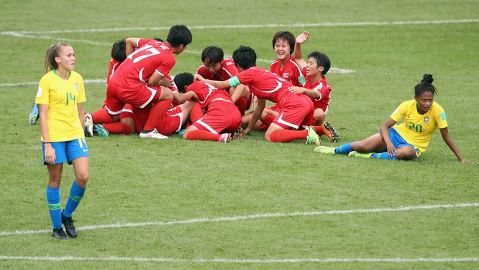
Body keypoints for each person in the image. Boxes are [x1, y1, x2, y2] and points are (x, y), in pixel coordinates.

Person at [315, 74, 469, 162]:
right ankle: (334, 150)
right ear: (416, 98)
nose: (428, 103)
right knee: (361, 145)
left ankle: (371, 156)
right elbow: (384, 127)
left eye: (430, 100)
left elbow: (446, 136)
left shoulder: (438, 111)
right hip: (394, 135)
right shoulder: (406, 105)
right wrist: (389, 143)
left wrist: (461, 159)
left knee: (407, 154)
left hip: (413, 146)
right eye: (424, 100)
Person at [195, 46, 319, 144]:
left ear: (237, 65)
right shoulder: (259, 73)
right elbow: (260, 105)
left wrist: (203, 80)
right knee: (294, 129)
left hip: (294, 104)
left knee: (270, 136)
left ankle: (307, 134)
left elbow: (224, 84)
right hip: (306, 102)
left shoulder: (248, 73)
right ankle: (320, 129)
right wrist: (249, 127)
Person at [36, 42, 90, 239]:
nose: (73, 58)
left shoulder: (78, 79)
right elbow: (42, 114)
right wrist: (47, 144)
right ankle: (57, 227)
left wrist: (82, 132)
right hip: (54, 137)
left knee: (83, 176)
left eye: (74, 54)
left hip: (75, 135)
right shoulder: (47, 81)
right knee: (55, 179)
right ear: (58, 59)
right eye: (68, 55)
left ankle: (67, 215)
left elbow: (80, 109)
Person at [105, 25, 192, 139]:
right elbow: (153, 82)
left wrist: (130, 63)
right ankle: (149, 131)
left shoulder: (153, 44)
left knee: (116, 117)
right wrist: (192, 93)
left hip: (118, 87)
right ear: (181, 46)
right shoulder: (167, 62)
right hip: (131, 91)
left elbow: (129, 41)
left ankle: (89, 121)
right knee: (167, 95)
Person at [289, 31, 339, 142]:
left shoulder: (324, 86)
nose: (307, 65)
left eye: (311, 63)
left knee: (319, 112)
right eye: (308, 62)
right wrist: (297, 43)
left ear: (320, 69)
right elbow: (297, 58)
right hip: (302, 111)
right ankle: (319, 130)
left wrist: (303, 90)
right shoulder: (307, 75)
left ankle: (318, 130)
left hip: (313, 116)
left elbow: (316, 94)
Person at [175, 72, 242, 142]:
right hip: (236, 115)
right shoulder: (210, 84)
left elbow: (187, 106)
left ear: (185, 87)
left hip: (220, 113)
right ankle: (228, 133)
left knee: (188, 133)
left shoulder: (191, 88)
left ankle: (221, 137)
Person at [196, 45, 251, 115]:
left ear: (221, 61)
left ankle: (238, 118)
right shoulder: (202, 71)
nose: (211, 69)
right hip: (222, 96)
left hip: (245, 96)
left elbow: (242, 86)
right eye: (207, 66)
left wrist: (228, 104)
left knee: (233, 89)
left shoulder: (230, 68)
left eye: (214, 66)